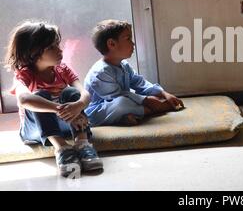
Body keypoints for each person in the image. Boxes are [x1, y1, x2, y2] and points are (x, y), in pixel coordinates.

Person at [4, 21, 103, 177]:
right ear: (33, 52)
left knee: (71, 93)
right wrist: (58, 109)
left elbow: (85, 93)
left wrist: (78, 106)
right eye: (51, 47)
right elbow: (23, 99)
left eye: (57, 44)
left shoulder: (62, 69)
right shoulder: (24, 74)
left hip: (67, 122)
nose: (60, 50)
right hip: (35, 130)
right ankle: (62, 148)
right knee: (37, 96)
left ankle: (82, 143)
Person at [84, 20, 184, 127]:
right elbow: (118, 96)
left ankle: (129, 116)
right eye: (128, 39)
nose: (133, 43)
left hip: (124, 102)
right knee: (122, 103)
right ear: (112, 44)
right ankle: (150, 110)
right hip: (100, 111)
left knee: (140, 99)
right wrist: (146, 101)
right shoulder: (100, 72)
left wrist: (163, 93)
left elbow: (140, 83)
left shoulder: (124, 65)